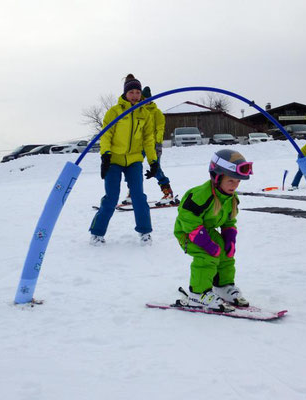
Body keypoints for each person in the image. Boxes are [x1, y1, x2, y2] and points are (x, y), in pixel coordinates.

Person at [174, 149, 252, 312]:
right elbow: (187, 218)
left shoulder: (231, 198)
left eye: (238, 181)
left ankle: (224, 286)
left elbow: (229, 220)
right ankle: (198, 294)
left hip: (206, 230)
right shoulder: (200, 195)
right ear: (217, 177)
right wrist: (207, 244)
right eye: (231, 180)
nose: (235, 185)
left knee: (225, 253)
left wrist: (229, 238)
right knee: (207, 256)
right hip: (188, 233)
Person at [89, 74, 158, 246]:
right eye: (131, 92)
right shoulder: (115, 112)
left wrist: (153, 162)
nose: (135, 95)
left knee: (138, 196)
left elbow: (149, 140)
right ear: (125, 93)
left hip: (134, 160)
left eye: (137, 92)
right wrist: (105, 155)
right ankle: (97, 233)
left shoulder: (145, 114)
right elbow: (106, 135)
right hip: (114, 159)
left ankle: (145, 232)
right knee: (111, 197)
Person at [122, 86, 178, 206]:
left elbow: (160, 128)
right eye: (142, 98)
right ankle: (133, 193)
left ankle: (168, 193)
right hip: (138, 146)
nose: (143, 101)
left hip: (153, 145)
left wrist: (157, 144)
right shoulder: (138, 110)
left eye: (146, 99)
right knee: (133, 168)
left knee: (156, 169)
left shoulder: (156, 112)